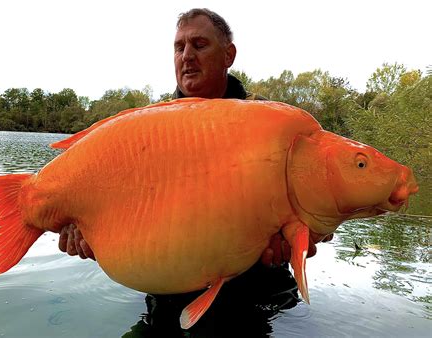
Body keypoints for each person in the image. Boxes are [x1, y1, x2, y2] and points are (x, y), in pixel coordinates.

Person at [59, 8, 332, 334]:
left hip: (258, 300)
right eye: (179, 47)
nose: (187, 56)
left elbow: (322, 208)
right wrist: (86, 230)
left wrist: (312, 232)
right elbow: (126, 210)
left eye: (200, 45)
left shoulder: (272, 125)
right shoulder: (146, 131)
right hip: (168, 298)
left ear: (228, 54)